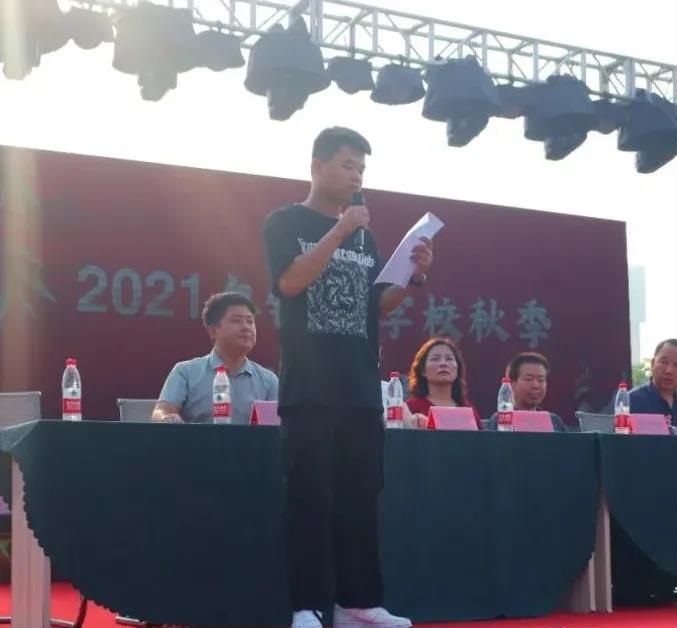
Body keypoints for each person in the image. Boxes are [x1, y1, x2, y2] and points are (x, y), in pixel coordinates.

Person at [262, 127, 433, 628]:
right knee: (310, 498)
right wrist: (339, 230)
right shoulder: (285, 221)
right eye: (347, 165)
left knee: (359, 499)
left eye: (361, 168)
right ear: (317, 166)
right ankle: (307, 606)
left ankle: (357, 602)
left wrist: (412, 275)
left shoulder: (365, 236)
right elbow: (290, 282)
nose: (356, 176)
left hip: (360, 387)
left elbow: (376, 304)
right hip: (310, 387)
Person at [151, 292, 278, 424]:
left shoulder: (269, 381)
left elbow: (280, 423)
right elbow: (162, 411)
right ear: (213, 331)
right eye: (236, 320)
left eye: (250, 321)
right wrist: (168, 418)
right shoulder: (185, 372)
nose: (246, 327)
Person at [405, 337, 480, 428]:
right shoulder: (410, 408)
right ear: (423, 370)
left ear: (457, 368)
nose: (443, 363)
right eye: (435, 359)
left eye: (449, 359)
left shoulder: (468, 409)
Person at [486, 352, 567, 432]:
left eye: (541, 380)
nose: (536, 386)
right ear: (511, 383)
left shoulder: (554, 421)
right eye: (528, 379)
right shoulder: (501, 419)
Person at [629, 338, 677, 426]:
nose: (669, 370)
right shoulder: (632, 400)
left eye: (676, 365)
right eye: (664, 362)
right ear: (652, 364)